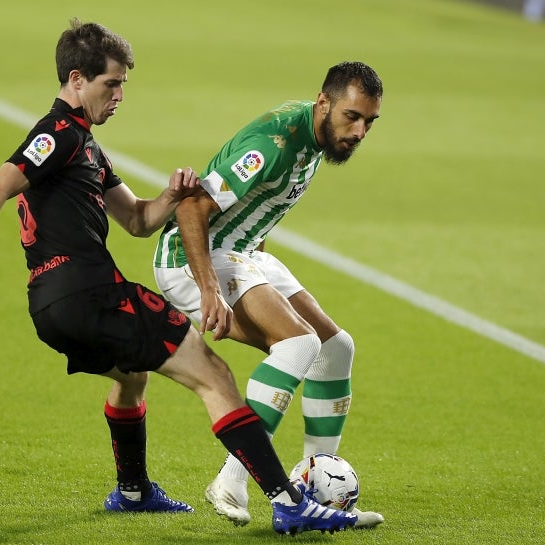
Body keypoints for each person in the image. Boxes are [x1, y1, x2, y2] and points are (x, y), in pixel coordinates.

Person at [0, 19, 357, 535]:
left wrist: (171, 195)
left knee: (130, 376)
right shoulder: (57, 135)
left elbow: (139, 221)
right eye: (111, 84)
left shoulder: (88, 147)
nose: (119, 95)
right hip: (92, 294)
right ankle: (287, 500)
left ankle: (133, 490)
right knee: (215, 376)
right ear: (77, 79)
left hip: (50, 307)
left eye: (123, 85)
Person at [153, 61, 385, 527]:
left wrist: (259, 266)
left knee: (336, 348)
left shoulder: (319, 136)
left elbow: (259, 205)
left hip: (241, 250)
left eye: (369, 122)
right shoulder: (273, 146)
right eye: (352, 117)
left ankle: (314, 480)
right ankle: (232, 479)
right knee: (299, 345)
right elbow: (191, 208)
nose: (359, 131)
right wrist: (210, 289)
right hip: (193, 257)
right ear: (324, 103)